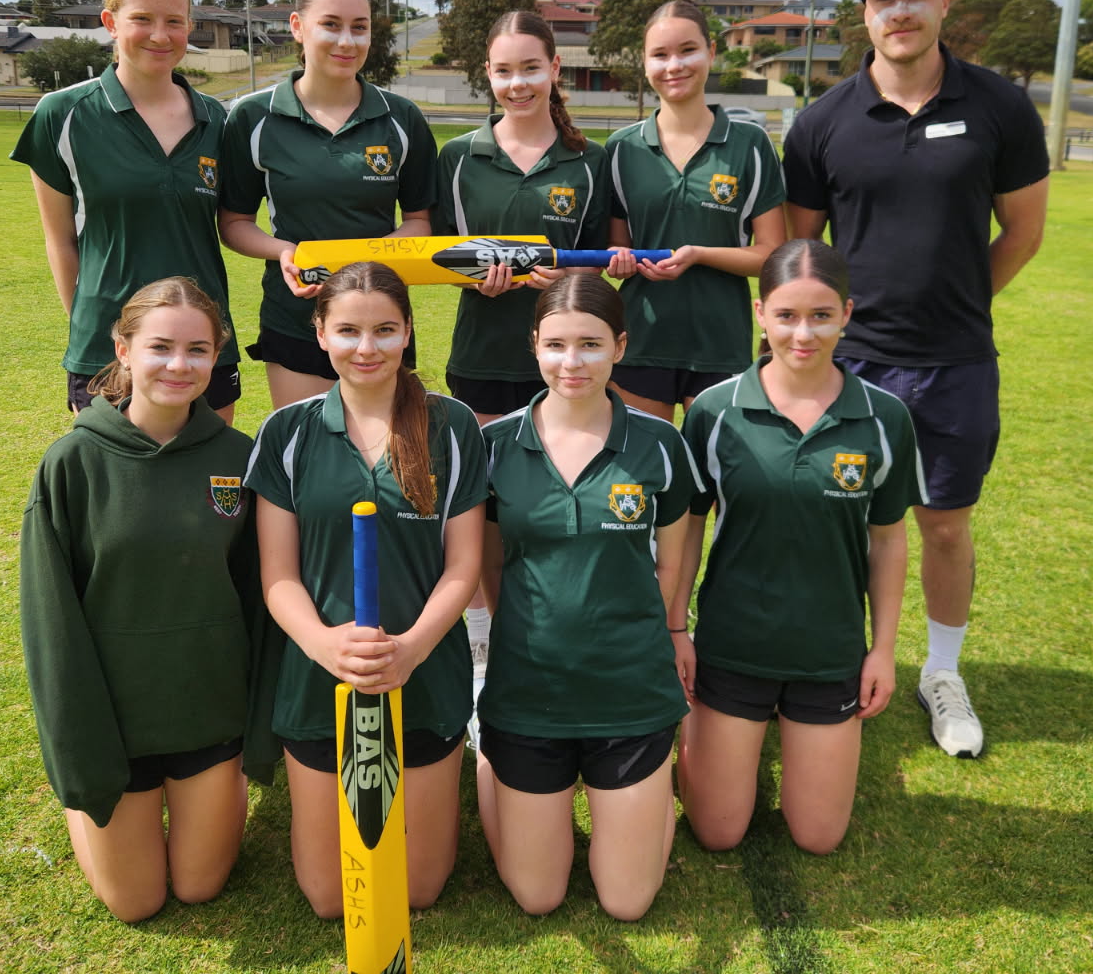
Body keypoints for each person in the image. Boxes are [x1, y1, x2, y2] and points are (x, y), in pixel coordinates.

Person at [782, 0, 1049, 758]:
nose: (900, 9)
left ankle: (940, 672)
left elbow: (1023, 234)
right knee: (837, 523)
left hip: (955, 363)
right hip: (849, 366)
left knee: (941, 525)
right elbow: (803, 259)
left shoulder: (999, 106)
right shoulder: (823, 122)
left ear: (944, 3)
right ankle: (834, 661)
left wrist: (954, 305)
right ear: (864, 13)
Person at [19, 277, 281, 922]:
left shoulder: (237, 458)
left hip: (208, 713)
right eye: (161, 346)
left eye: (198, 350)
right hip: (117, 727)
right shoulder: (72, 462)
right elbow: (51, 622)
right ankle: (87, 807)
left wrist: (258, 723)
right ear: (123, 348)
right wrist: (76, 748)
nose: (179, 365)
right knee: (136, 904)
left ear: (216, 357)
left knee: (198, 887)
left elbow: (261, 595)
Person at [249, 261, 485, 916]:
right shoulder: (286, 433)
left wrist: (408, 649)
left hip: (423, 674)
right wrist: (326, 646)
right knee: (331, 899)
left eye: (385, 329)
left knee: (417, 890)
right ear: (320, 332)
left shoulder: (452, 426)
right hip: (320, 679)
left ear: (408, 330)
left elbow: (464, 568)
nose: (367, 347)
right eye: (348, 330)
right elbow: (278, 575)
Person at [676, 240, 923, 855]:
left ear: (847, 313)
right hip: (733, 648)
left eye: (821, 315)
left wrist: (883, 651)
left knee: (818, 837)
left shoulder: (884, 418)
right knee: (717, 832)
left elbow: (889, 539)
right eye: (786, 315)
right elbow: (686, 526)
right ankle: (699, 727)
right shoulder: (714, 410)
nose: (803, 333)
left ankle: (774, 735)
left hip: (829, 652)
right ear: (760, 314)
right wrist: (675, 629)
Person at [478, 274, 698, 919]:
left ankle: (646, 784)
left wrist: (667, 634)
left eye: (591, 345)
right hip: (529, 693)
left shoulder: (661, 445)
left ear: (620, 347)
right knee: (538, 896)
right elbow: (489, 567)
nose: (571, 362)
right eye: (556, 345)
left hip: (629, 694)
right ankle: (492, 756)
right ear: (535, 347)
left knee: (628, 903)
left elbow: (675, 561)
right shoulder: (493, 448)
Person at [432, 10, 612, 742]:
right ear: (489, 76)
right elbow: (437, 259)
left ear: (555, 71)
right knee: (484, 514)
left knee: (560, 506)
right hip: (481, 361)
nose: (517, 84)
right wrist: (478, 281)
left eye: (530, 69)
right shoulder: (457, 159)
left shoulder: (591, 162)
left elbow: (601, 273)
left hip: (568, 369)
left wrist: (552, 288)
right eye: (504, 72)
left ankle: (556, 641)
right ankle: (485, 649)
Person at [13, 0, 242, 423]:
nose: (161, 35)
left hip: (204, 343)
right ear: (110, 22)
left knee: (206, 486)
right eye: (142, 19)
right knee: (115, 490)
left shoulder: (219, 120)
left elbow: (232, 225)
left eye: (174, 21)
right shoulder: (61, 114)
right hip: (106, 346)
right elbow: (60, 241)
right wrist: (92, 328)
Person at [218, 0, 436, 408]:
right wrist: (284, 252)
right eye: (331, 25)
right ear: (297, 27)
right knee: (309, 458)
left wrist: (364, 263)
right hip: (295, 316)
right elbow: (234, 222)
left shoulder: (403, 119)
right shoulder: (253, 117)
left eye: (360, 28)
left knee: (386, 460)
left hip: (380, 317)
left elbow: (420, 223)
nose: (347, 41)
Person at [603, 0, 787, 421]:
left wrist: (699, 254)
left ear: (711, 53)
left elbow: (772, 256)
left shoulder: (751, 145)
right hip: (640, 342)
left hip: (721, 345)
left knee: (720, 481)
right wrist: (621, 262)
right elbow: (616, 248)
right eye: (660, 55)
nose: (674, 65)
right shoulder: (620, 149)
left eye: (687, 50)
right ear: (645, 63)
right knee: (643, 479)